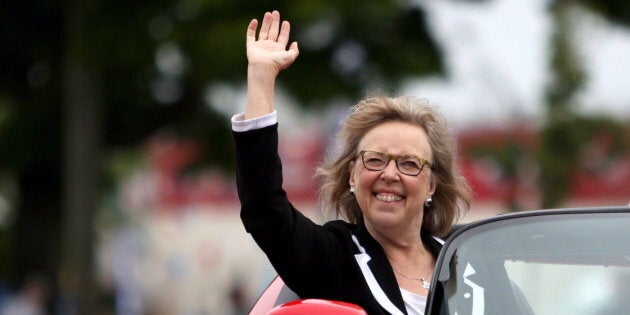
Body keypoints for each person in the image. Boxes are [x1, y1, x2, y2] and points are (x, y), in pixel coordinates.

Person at [231, 10, 472, 315]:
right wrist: (262, 79)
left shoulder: (467, 262)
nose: (389, 174)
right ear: (352, 176)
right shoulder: (334, 258)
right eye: (374, 160)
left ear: (432, 185)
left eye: (409, 164)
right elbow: (265, 209)